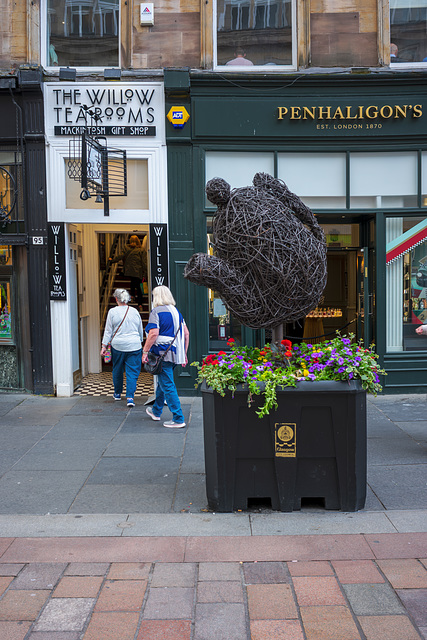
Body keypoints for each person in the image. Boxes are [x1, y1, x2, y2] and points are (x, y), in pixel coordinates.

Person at [142, 285, 190, 428]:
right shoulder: (177, 312)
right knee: (163, 383)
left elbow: (153, 333)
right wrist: (184, 354)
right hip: (175, 354)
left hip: (162, 354)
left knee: (167, 385)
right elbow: (186, 334)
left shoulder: (156, 312)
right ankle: (156, 411)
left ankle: (178, 418)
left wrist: (145, 351)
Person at [101, 288, 144, 407]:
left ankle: (117, 393)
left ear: (116, 299)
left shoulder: (112, 312)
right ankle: (130, 397)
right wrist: (140, 341)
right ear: (128, 299)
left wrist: (104, 345)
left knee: (117, 369)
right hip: (134, 346)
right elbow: (140, 329)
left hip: (118, 345)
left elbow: (108, 331)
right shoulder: (135, 311)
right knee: (132, 372)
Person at [109, 235, 147, 310]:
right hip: (138, 271)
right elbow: (144, 263)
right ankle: (140, 304)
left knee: (133, 282)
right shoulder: (141, 250)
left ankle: (132, 296)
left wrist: (112, 260)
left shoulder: (126, 248)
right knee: (139, 287)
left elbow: (120, 256)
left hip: (129, 270)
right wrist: (145, 273)